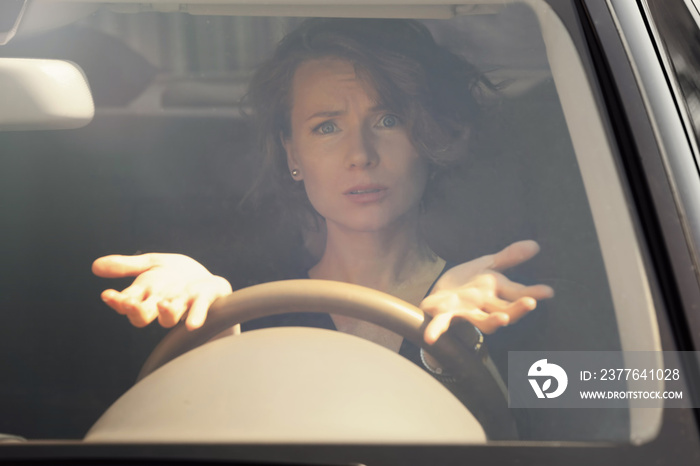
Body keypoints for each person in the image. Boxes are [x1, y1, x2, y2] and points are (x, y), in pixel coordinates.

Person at [92, 18, 553, 370]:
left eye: (388, 120)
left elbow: (611, 389)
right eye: (327, 127)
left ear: (427, 138)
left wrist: (470, 346)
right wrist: (211, 330)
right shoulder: (249, 312)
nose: (360, 154)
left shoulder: (499, 300)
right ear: (293, 154)